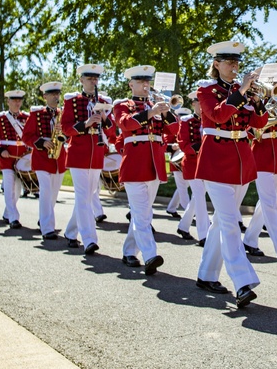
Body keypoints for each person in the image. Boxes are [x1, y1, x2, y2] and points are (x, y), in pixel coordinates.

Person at [194, 41, 268, 308]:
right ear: (216, 64)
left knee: (221, 224)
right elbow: (218, 116)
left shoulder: (242, 91)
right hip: (216, 159)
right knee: (229, 223)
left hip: (241, 161)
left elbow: (259, 123)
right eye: (229, 62)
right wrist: (243, 92)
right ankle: (242, 281)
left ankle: (206, 274)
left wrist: (259, 102)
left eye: (237, 62)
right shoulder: (206, 89)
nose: (235, 66)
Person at [113, 65, 177, 274]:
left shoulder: (157, 105)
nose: (145, 85)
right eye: (140, 82)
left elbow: (174, 130)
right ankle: (150, 255)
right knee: (141, 214)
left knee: (143, 213)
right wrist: (150, 112)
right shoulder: (123, 104)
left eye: (147, 81)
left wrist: (167, 112)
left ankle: (129, 252)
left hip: (155, 163)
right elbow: (125, 125)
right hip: (134, 163)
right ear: (131, 84)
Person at [241, 74, 277, 265]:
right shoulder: (254, 104)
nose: (275, 87)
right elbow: (250, 129)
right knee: (268, 202)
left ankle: (249, 240)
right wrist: (262, 105)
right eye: (272, 84)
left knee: (268, 202)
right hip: (261, 155)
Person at [61, 64, 113, 255]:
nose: (93, 82)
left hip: (97, 154)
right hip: (78, 153)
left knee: (87, 196)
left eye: (95, 79)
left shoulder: (104, 101)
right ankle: (89, 239)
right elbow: (65, 128)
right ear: (81, 80)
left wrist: (105, 118)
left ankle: (70, 232)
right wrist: (86, 123)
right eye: (89, 78)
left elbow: (112, 129)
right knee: (84, 196)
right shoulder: (72, 101)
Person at [22, 81, 68, 241]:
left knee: (53, 195)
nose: (56, 97)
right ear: (45, 97)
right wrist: (41, 142)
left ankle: (44, 219)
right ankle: (47, 228)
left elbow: (69, 132)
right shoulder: (36, 114)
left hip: (59, 157)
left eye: (57, 94)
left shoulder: (63, 113)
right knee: (46, 192)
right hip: (42, 158)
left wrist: (63, 132)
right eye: (52, 94)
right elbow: (26, 136)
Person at [0, 90, 30, 229]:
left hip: (22, 158)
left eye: (19, 100)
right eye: (14, 100)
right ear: (8, 102)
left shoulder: (26, 117)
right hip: (7, 157)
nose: (17, 103)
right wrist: (0, 150)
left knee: (17, 190)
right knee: (10, 187)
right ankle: (13, 218)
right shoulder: (0, 118)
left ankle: (7, 213)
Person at [175, 92, 209, 244]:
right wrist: (202, 148)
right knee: (200, 196)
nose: (201, 106)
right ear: (193, 104)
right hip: (192, 164)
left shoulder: (212, 120)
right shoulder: (186, 121)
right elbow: (183, 144)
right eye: (198, 102)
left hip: (209, 163)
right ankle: (204, 235)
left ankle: (183, 226)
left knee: (198, 197)